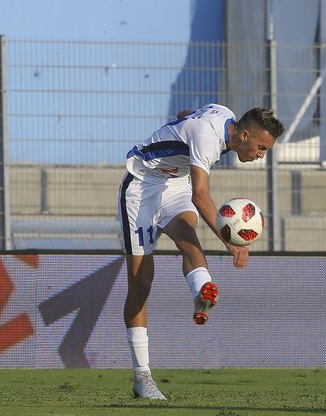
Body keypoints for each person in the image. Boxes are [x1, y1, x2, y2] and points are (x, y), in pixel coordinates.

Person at [118, 104, 284, 400]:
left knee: (188, 238)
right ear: (244, 136)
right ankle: (142, 376)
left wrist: (183, 124)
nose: (261, 155)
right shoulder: (208, 140)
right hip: (141, 185)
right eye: (261, 148)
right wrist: (229, 241)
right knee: (141, 283)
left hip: (175, 183)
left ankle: (202, 291)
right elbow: (201, 195)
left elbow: (187, 113)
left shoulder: (222, 113)